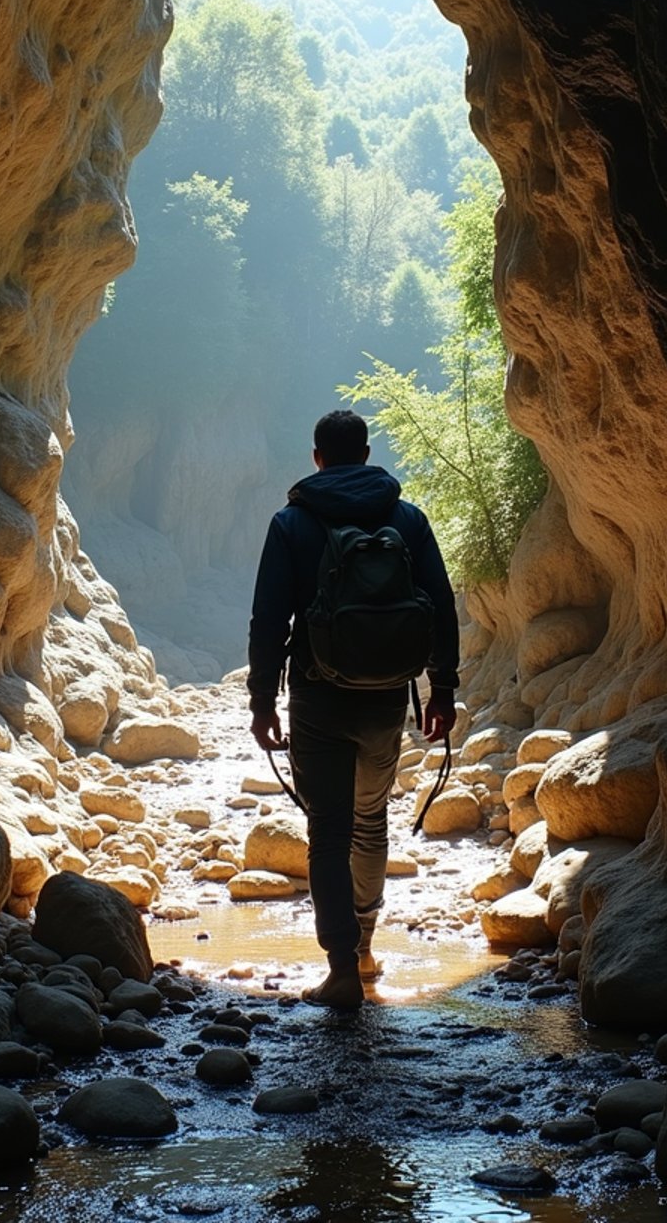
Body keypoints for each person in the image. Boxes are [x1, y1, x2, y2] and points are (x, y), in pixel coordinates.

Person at [247, 409, 459, 1010]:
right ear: (366, 454)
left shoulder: (291, 524)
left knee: (329, 829)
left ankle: (342, 969)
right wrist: (441, 689)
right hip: (388, 697)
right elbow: (441, 606)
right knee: (370, 820)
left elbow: (269, 620)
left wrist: (263, 702)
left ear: (317, 458)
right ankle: (365, 947)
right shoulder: (407, 519)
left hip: (317, 697)